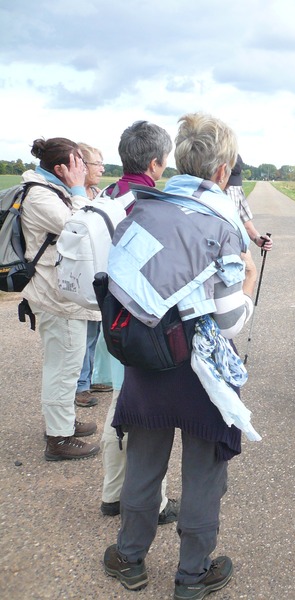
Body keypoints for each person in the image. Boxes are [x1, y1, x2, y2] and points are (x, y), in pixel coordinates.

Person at [103, 113, 257, 598]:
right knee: (203, 473)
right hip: (200, 371)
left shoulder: (142, 208)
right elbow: (231, 321)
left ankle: (129, 557)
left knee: (145, 463)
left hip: (147, 357)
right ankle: (191, 575)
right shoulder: (221, 223)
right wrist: (248, 280)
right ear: (220, 170)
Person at [97, 121, 178, 525]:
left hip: (106, 312)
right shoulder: (149, 201)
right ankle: (156, 502)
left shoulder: (105, 195)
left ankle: (112, 492)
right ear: (155, 162)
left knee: (119, 400)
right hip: (140, 319)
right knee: (142, 411)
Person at [20, 137, 100, 461]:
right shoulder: (40, 196)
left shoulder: (50, 191)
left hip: (60, 293)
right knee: (64, 368)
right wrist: (80, 190)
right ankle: (58, 438)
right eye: (78, 163)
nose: (82, 169)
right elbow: (81, 229)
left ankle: (63, 421)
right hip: (54, 297)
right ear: (61, 168)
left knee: (65, 364)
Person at [73, 142, 107, 409]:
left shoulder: (98, 193)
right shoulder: (72, 196)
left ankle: (89, 377)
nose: (102, 169)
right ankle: (80, 386)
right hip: (79, 273)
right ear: (82, 166)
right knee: (82, 334)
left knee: (94, 330)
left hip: (97, 271)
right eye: (97, 164)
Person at [225, 154, 273, 251]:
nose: (229, 185)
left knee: (250, 266)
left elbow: (245, 222)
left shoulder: (235, 189)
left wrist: (257, 238)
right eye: (228, 180)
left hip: (233, 248)